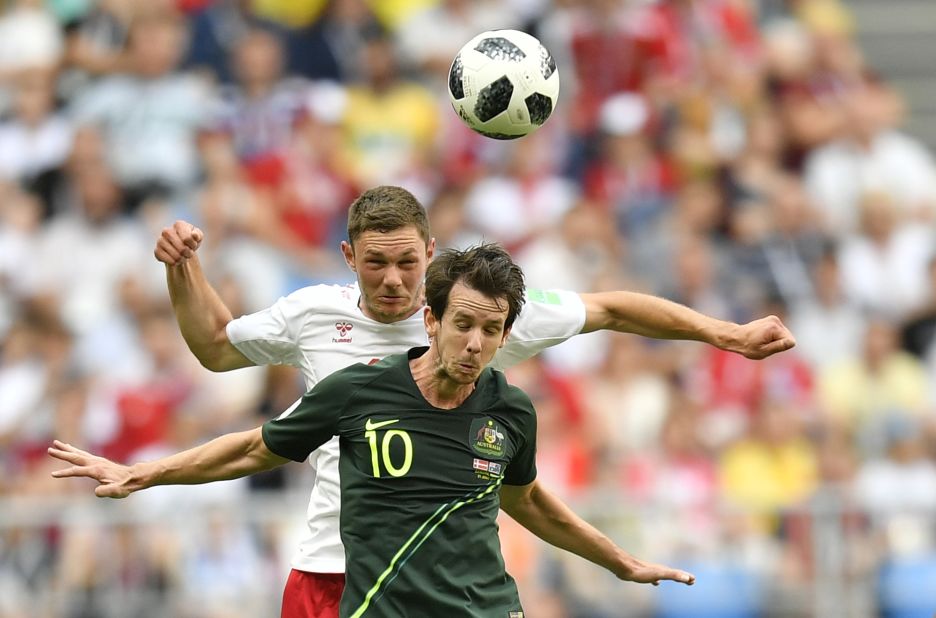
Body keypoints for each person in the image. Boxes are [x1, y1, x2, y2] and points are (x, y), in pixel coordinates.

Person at [153, 185, 794, 617]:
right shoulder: (312, 313)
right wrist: (185, 269)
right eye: (375, 263)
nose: (394, 279)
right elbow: (214, 345)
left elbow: (611, 308)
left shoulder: (475, 317)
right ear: (349, 257)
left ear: (430, 253)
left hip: (445, 581)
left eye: (407, 261)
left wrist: (724, 333)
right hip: (332, 569)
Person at [49, 244, 696, 617]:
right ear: (431, 320)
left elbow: (527, 503)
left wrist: (617, 560)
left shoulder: (511, 409)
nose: (474, 344)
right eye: (462, 325)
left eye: (491, 331)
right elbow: (253, 444)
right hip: (371, 598)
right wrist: (142, 473)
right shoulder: (356, 390)